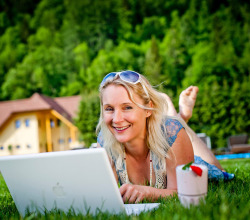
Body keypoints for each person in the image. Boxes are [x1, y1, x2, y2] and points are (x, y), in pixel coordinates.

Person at [96, 70, 234, 204]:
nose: (117, 119)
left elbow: (182, 192)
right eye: (109, 109)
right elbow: (106, 197)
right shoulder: (105, 140)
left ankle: (178, 118)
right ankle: (181, 117)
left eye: (127, 107)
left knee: (216, 169)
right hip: (167, 143)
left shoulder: (171, 132)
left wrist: (148, 192)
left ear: (148, 109)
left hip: (184, 157)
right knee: (174, 127)